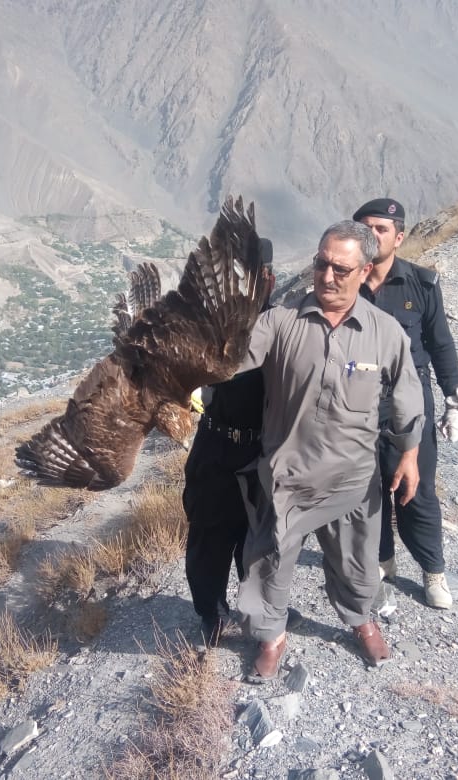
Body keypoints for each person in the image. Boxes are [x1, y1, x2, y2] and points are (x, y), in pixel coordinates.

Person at [236, 220, 425, 680]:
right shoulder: (281, 322)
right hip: (288, 475)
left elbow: (407, 394)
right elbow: (230, 359)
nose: (327, 276)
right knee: (270, 560)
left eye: (341, 269)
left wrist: (409, 455)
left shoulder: (384, 332)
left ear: (364, 271)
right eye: (321, 264)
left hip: (352, 478)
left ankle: (360, 619)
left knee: (357, 560)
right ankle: (271, 635)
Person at [352, 198, 458, 610]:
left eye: (381, 229)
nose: (372, 235)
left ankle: (433, 570)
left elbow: (440, 344)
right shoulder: (346, 282)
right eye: (365, 228)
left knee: (415, 492)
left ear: (398, 237)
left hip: (410, 407)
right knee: (367, 493)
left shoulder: (422, 284)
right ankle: (382, 560)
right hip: (357, 407)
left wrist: (454, 400)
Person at [183, 240, 273, 648]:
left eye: (251, 276)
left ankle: (260, 608)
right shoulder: (207, 327)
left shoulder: (286, 327)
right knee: (209, 532)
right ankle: (211, 612)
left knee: (260, 537)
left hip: (265, 450)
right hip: (215, 444)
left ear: (268, 279)